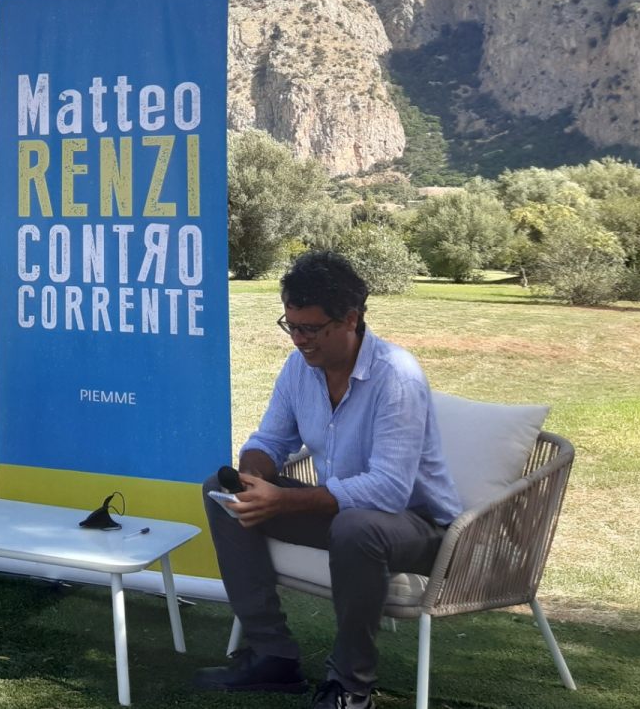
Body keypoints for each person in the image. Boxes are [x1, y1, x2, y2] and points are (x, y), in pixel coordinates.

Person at [195, 251, 461, 709]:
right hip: (344, 516)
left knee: (357, 527)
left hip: (420, 528)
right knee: (221, 492)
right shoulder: (299, 367)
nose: (299, 339)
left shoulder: (396, 375)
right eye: (291, 325)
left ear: (350, 319)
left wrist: (283, 501)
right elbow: (270, 441)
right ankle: (272, 656)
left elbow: (388, 490)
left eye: (311, 329)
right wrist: (253, 480)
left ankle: (351, 686)